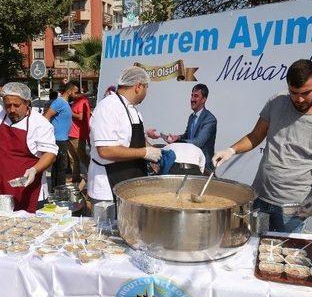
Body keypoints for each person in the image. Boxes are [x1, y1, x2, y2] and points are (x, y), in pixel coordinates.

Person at [213, 59, 312, 233]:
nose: (299, 99)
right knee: (252, 247)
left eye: (305, 93)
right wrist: (231, 150)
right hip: (259, 197)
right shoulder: (277, 102)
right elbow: (255, 136)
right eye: (293, 92)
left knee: (283, 253)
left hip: (293, 209)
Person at [0, 82, 57, 212]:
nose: (12, 110)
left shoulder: (40, 124)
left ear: (27, 103)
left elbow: (50, 154)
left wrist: (34, 170)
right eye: (8, 105)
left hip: (28, 189)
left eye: (17, 105)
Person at [88, 66, 161, 205]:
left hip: (129, 183)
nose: (146, 92)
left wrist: (156, 153)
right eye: (146, 87)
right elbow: (105, 150)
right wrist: (145, 152)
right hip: (107, 187)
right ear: (138, 87)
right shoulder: (108, 107)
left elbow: (137, 140)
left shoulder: (134, 110)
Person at [150, 84, 217, 173]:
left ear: (204, 100)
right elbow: (188, 135)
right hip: (191, 164)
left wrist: (177, 142)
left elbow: (198, 142)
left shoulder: (210, 119)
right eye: (192, 96)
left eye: (196, 96)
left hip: (204, 168)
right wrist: (178, 137)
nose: (192, 99)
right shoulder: (192, 117)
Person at [44, 82, 74, 190]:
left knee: (59, 168)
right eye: (75, 92)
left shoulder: (65, 103)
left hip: (62, 139)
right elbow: (46, 117)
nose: (76, 95)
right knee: (61, 168)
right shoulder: (59, 102)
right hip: (58, 140)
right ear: (69, 91)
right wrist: (46, 136)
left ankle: (56, 191)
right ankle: (60, 193)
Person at [68, 90, 91, 183]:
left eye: (75, 92)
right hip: (71, 133)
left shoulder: (82, 101)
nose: (73, 94)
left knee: (81, 155)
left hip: (77, 133)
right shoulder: (76, 102)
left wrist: (68, 111)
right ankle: (75, 176)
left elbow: (81, 117)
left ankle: (92, 172)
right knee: (72, 157)